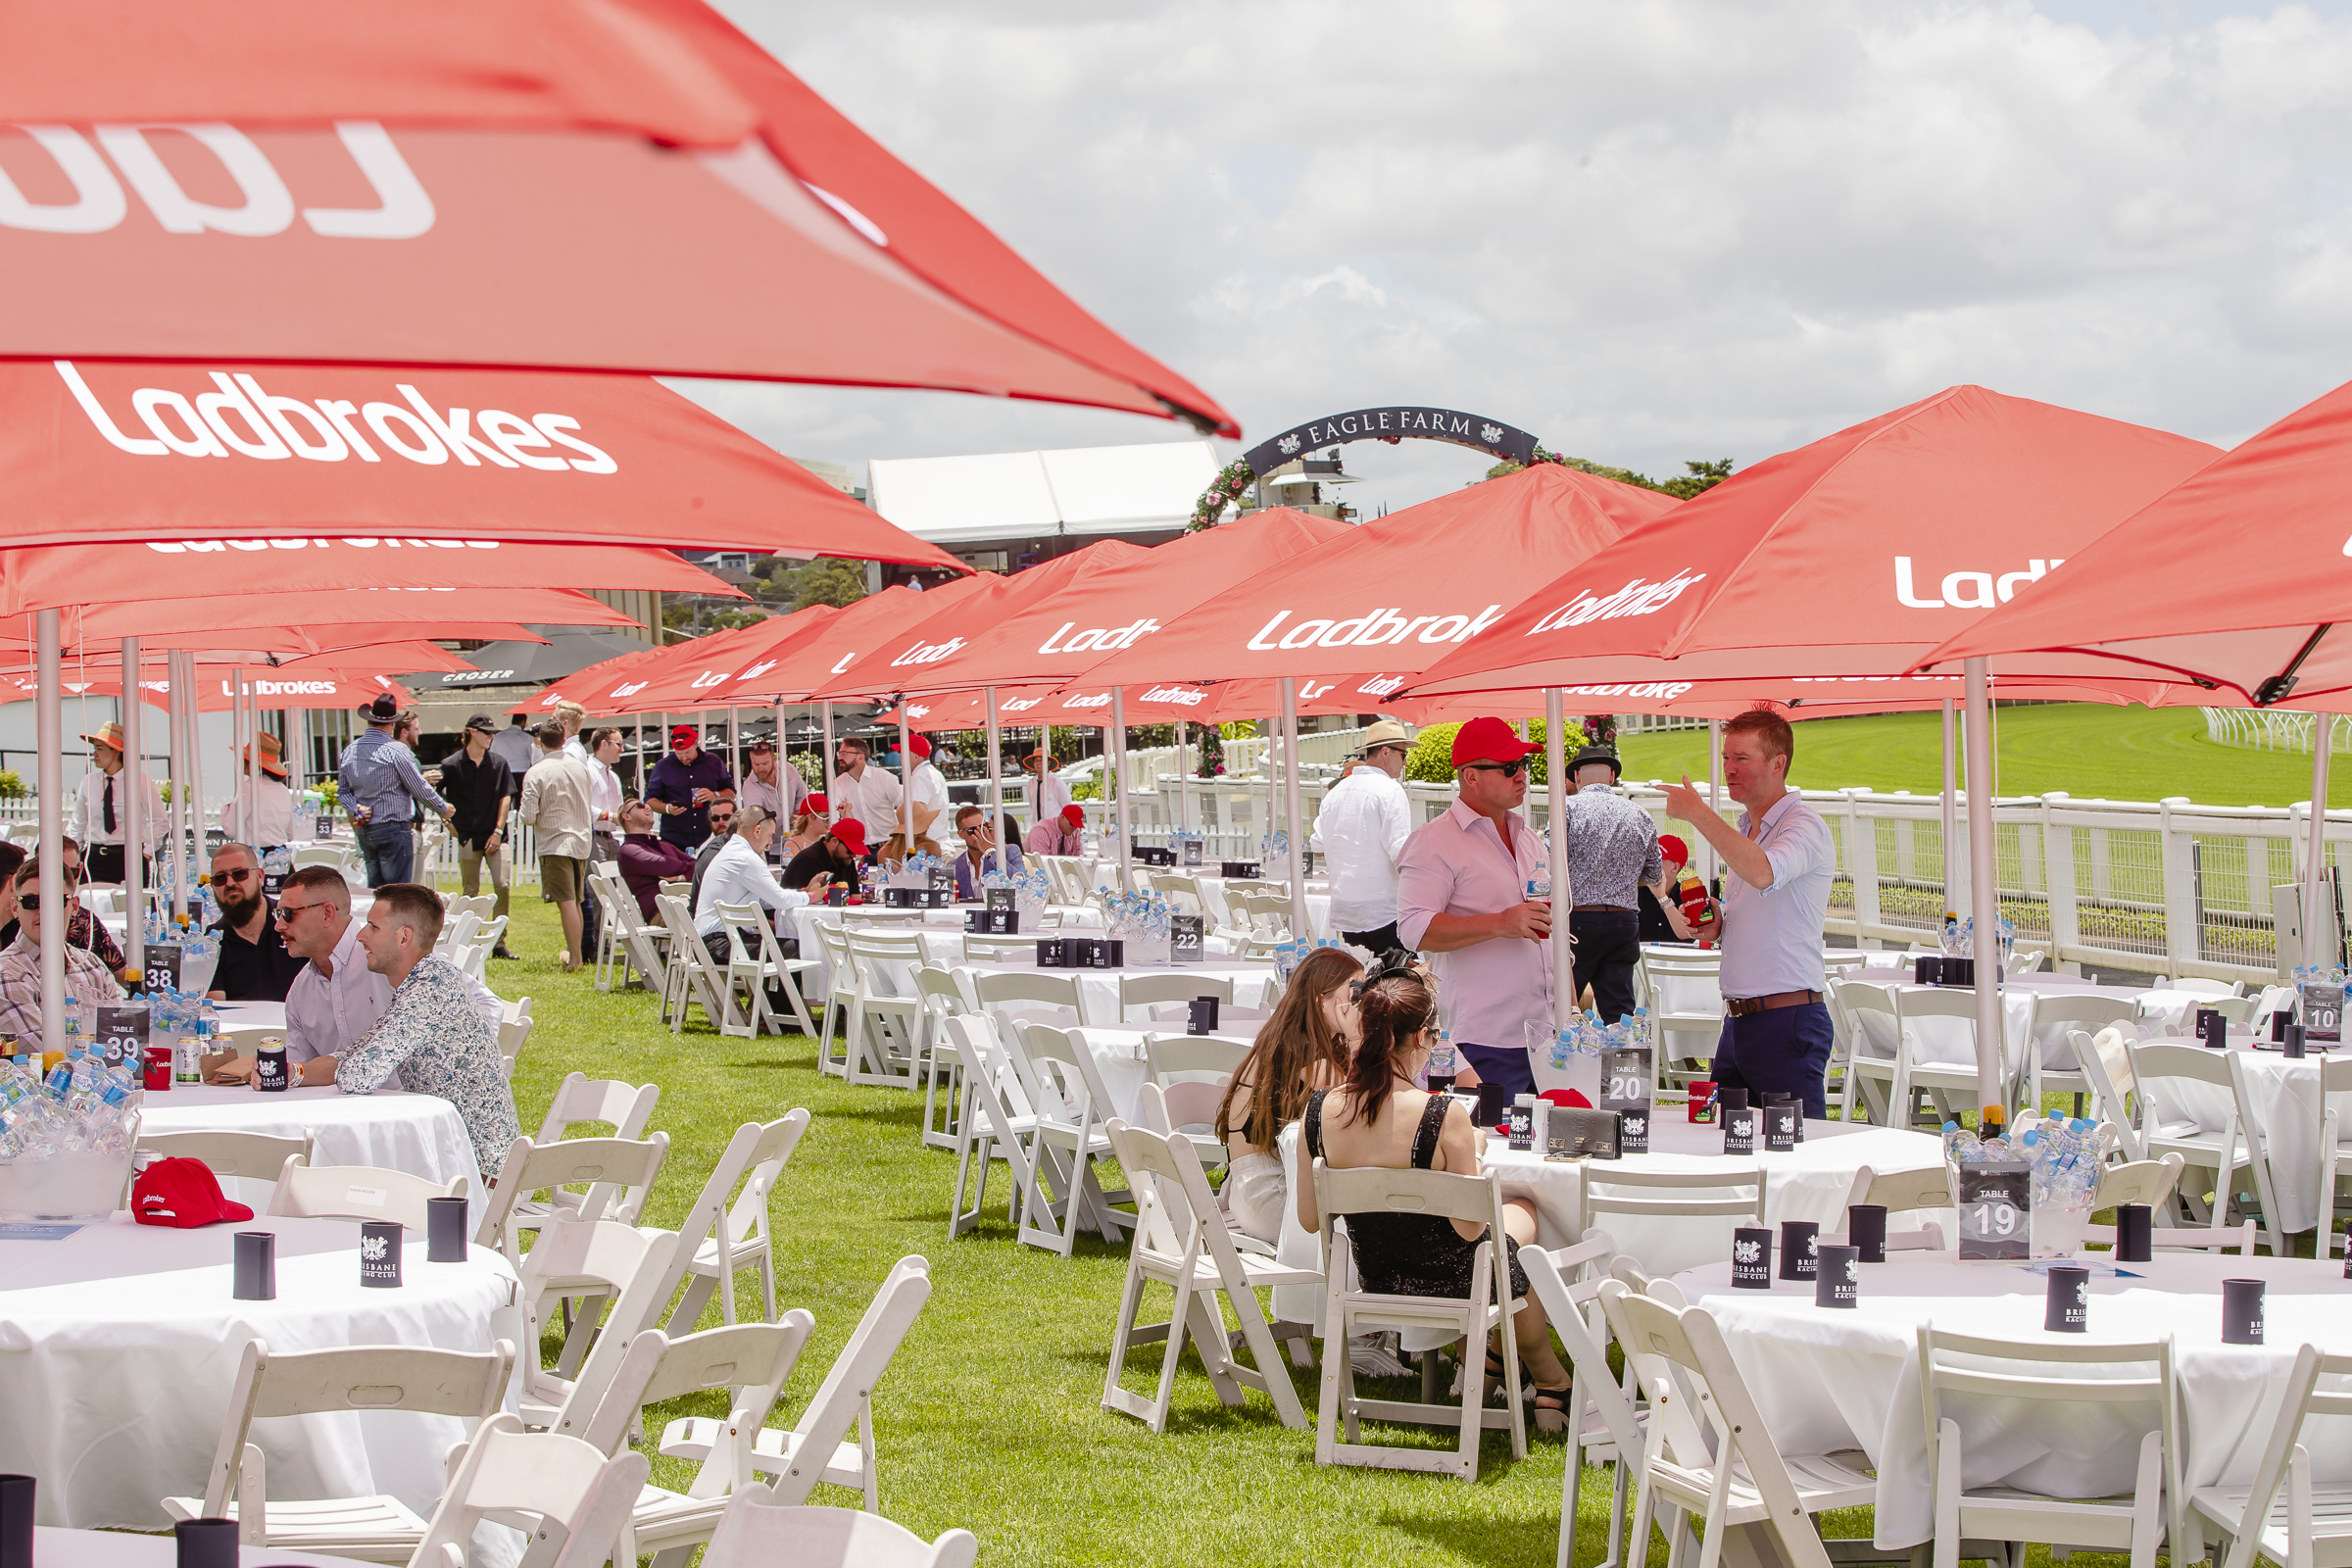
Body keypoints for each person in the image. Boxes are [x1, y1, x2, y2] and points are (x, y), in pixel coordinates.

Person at [1291, 966, 1572, 1425]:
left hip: (1377, 1276)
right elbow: (1470, 1227)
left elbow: (1308, 1218)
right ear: (1421, 1037)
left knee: (1507, 1250)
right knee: (1519, 1217)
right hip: (1457, 1281)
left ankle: (1507, 1364)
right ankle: (1547, 1379)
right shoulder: (1443, 1115)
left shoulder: (1319, 1110)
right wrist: (1475, 1154)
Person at [1662, 709, 1837, 1117]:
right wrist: (1716, 919)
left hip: (1786, 1019)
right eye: (1726, 758)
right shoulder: (1748, 828)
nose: (1729, 769)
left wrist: (1698, 813)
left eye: (1742, 758)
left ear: (1779, 764)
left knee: (1794, 1155)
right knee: (1722, 1143)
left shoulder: (1803, 825)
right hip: (1742, 1021)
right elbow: (1758, 903)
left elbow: (1763, 873)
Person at [1396, 716, 1553, 1098]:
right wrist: (1501, 922)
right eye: (1509, 767)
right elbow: (1413, 928)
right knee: (1485, 1148)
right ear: (1471, 777)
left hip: (1548, 1037)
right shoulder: (1434, 841)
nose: (1522, 776)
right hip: (1484, 1038)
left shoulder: (1529, 838)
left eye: (1524, 765)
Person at [335, 883, 522, 1178]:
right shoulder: (427, 978)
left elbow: (356, 1076)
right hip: (452, 1155)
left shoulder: (429, 990)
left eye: (372, 927)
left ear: (403, 937)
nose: (360, 935)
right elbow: (356, 1054)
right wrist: (297, 1072)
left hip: (475, 1173)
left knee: (353, 1179)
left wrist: (338, 1065)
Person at [1215, 946, 1361, 1244]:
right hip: (1271, 1198)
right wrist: (1358, 1039)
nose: (1362, 1001)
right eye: (1355, 991)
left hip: (1248, 1191)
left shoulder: (1287, 1037)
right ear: (1322, 1000)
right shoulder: (1310, 1057)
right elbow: (1359, 1111)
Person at [1556, 743, 1660, 1023]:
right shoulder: (1640, 815)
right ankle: (1625, 1066)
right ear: (1612, 777)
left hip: (1576, 921)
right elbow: (1654, 875)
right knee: (1620, 1017)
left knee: (1560, 1010)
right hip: (1623, 922)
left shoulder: (1566, 810)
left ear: (1576, 777)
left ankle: (1560, 1065)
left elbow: (1546, 862)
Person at [1310, 718, 1414, 953]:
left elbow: (1317, 844)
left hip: (1346, 912)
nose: (1405, 761)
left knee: (1360, 986)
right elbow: (1401, 853)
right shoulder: (1390, 789)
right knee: (1404, 984)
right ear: (1386, 752)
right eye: (1403, 754)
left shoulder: (1336, 792)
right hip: (1383, 912)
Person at [0, 858, 124, 1042]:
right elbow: (42, 1049)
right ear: (15, 908)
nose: (44, 911)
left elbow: (121, 1033)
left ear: (74, 906)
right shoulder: (6, 974)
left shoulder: (93, 966)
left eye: (56, 901)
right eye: (32, 901)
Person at [339, 693, 454, 887]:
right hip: (393, 828)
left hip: (366, 829)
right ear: (392, 724)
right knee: (397, 894)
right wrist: (443, 808)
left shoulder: (351, 750)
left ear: (369, 721)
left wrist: (356, 809)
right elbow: (419, 788)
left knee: (376, 891)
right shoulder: (396, 751)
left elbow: (343, 791)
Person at [692, 806, 826, 964]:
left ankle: (770, 990)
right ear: (757, 831)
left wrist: (802, 891)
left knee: (789, 946)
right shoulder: (746, 858)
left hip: (713, 942)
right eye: (770, 835)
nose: (770, 842)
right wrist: (811, 896)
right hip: (720, 944)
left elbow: (767, 898)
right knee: (802, 948)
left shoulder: (732, 851)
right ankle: (795, 991)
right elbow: (780, 900)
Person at [0, 837, 132, 983]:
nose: (43, 910)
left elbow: (123, 976)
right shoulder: (9, 967)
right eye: (32, 901)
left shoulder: (92, 960)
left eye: (71, 872)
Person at [519, 720, 596, 972]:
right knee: (575, 901)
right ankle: (577, 954)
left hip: (555, 842)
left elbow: (528, 816)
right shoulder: (579, 767)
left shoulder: (536, 771)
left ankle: (575, 959)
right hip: (581, 839)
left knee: (567, 901)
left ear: (539, 741)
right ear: (564, 740)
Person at [440, 715, 516, 947]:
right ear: (471, 732)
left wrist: (497, 830)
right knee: (470, 891)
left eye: (493, 733)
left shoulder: (499, 763)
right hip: (468, 836)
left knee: (502, 884)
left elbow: (506, 797)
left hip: (495, 834)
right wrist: (448, 823)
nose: (491, 737)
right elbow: (433, 796)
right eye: (486, 732)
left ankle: (499, 942)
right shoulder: (451, 765)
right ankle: (466, 940)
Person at [204, 842, 308, 1002]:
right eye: (220, 878)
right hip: (241, 1026)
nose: (230, 883)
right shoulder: (212, 941)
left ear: (260, 876)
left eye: (239, 874)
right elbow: (216, 1008)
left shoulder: (293, 921)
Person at [75, 720, 161, 886]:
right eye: (94, 749)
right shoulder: (88, 782)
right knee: (88, 905)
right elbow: (78, 822)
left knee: (130, 908)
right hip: (92, 857)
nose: (95, 754)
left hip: (128, 857)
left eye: (100, 749)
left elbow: (160, 821)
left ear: (116, 752)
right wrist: (73, 854)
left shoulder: (139, 781)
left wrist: (146, 853)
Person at [646, 724, 735, 854]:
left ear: (695, 744)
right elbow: (649, 799)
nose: (684, 757)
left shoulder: (713, 761)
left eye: (687, 752)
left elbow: (731, 793)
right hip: (674, 838)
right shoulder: (663, 766)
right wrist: (667, 808)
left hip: (709, 836)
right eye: (679, 753)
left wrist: (714, 795)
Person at [616, 798, 696, 921]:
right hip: (662, 914)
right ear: (626, 816)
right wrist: (686, 867)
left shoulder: (664, 845)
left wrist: (681, 877)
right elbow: (668, 866)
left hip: (685, 907)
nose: (647, 806)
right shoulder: (629, 851)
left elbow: (697, 865)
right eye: (640, 805)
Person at [220, 732, 296, 854]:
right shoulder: (283, 789)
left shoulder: (248, 787)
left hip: (255, 857)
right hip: (281, 857)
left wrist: (226, 809)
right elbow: (290, 834)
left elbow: (231, 830)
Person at [828, 736, 901, 854]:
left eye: (845, 753)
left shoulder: (885, 778)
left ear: (860, 756)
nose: (840, 757)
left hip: (890, 845)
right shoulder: (838, 784)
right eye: (839, 753)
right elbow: (833, 816)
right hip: (859, 850)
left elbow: (904, 806)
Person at [1640, 834, 1715, 944]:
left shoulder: (1691, 896)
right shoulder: (1636, 892)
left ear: (1674, 867)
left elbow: (1691, 933)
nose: (1650, 864)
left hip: (1681, 960)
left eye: (1657, 860)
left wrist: (1663, 898)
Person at [950, 804, 1023, 901]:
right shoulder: (953, 866)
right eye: (972, 830)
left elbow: (1021, 884)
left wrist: (991, 853)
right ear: (961, 834)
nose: (979, 833)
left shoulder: (1010, 851)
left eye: (983, 827)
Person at [738, 738, 807, 837]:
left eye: (765, 764)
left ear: (773, 759)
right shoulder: (749, 787)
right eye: (756, 764)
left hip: (796, 836)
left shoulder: (788, 770)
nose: (760, 768)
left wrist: (798, 815)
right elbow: (756, 820)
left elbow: (803, 796)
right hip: (769, 844)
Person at [783, 818, 864, 892]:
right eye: (850, 850)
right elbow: (805, 902)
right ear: (834, 842)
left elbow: (855, 896)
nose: (854, 855)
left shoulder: (846, 860)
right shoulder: (807, 861)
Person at [688, 798, 739, 910]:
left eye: (726, 817)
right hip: (719, 914)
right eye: (715, 818)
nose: (721, 822)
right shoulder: (707, 849)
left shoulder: (748, 844)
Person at [584, 727, 627, 856]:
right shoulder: (587, 771)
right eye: (618, 744)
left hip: (613, 839)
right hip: (592, 838)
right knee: (594, 876)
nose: (622, 749)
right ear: (603, 744)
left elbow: (619, 811)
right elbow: (581, 807)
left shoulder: (614, 776)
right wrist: (610, 816)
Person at [903, 735, 949, 833]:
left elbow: (919, 813)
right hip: (938, 838)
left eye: (903, 753)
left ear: (915, 757)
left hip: (927, 842)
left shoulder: (920, 776)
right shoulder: (935, 773)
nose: (900, 756)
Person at [1025, 748, 1071, 832]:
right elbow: (1032, 805)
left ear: (1048, 762)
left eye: (1042, 760)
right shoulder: (1030, 784)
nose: (1039, 763)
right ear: (1033, 763)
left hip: (1054, 828)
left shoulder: (1056, 782)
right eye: (1036, 760)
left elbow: (1067, 806)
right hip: (1037, 827)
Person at [489, 713, 539, 789]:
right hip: (522, 772)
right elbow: (532, 756)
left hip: (504, 772)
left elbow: (492, 756)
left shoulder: (498, 737)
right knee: (520, 799)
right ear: (523, 722)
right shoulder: (526, 737)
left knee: (505, 799)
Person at [776, 794, 830, 863]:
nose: (829, 821)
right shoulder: (792, 844)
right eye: (825, 817)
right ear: (810, 817)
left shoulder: (828, 841)